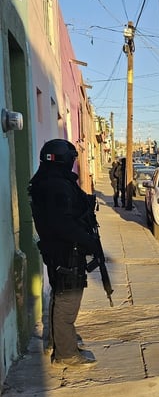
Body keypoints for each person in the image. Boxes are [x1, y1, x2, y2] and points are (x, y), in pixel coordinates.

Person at [28, 139, 99, 367]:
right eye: (71, 159)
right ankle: (66, 354)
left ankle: (58, 341)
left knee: (60, 296)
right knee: (68, 301)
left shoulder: (49, 181)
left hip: (58, 250)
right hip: (66, 250)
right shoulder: (56, 185)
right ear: (64, 160)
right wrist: (89, 242)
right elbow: (63, 223)